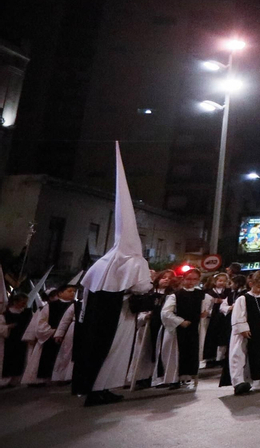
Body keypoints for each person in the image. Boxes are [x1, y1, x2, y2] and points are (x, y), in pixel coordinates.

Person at [73, 143, 155, 406]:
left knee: (97, 348)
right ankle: (101, 388)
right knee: (115, 350)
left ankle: (96, 387)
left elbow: (88, 287)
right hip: (120, 314)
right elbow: (143, 288)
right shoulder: (134, 260)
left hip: (98, 314)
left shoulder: (104, 261)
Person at [228, 270, 260, 395]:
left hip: (259, 333)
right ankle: (238, 382)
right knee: (239, 356)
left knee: (257, 356)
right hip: (244, 334)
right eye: (258, 286)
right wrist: (243, 328)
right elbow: (238, 315)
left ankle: (251, 381)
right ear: (252, 284)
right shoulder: (243, 298)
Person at [157, 267, 208, 388]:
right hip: (177, 329)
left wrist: (204, 314)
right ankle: (173, 379)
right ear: (183, 279)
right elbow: (166, 312)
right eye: (189, 279)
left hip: (194, 328)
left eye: (194, 279)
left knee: (191, 352)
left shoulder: (200, 294)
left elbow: (206, 307)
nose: (191, 282)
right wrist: (180, 321)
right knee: (176, 354)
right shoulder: (176, 295)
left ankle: (187, 376)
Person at [21, 284, 76, 386]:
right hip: (51, 336)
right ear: (60, 293)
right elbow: (41, 323)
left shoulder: (76, 305)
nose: (73, 293)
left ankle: (63, 378)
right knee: (46, 358)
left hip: (69, 337)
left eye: (74, 291)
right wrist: (53, 332)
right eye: (69, 291)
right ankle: (42, 380)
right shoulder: (50, 306)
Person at [1, 292, 32, 387]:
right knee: (9, 359)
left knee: (20, 360)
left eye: (25, 303)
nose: (24, 305)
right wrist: (8, 327)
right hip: (10, 339)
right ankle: (6, 381)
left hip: (22, 339)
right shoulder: (6, 314)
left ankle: (16, 379)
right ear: (15, 302)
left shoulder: (27, 312)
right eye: (22, 302)